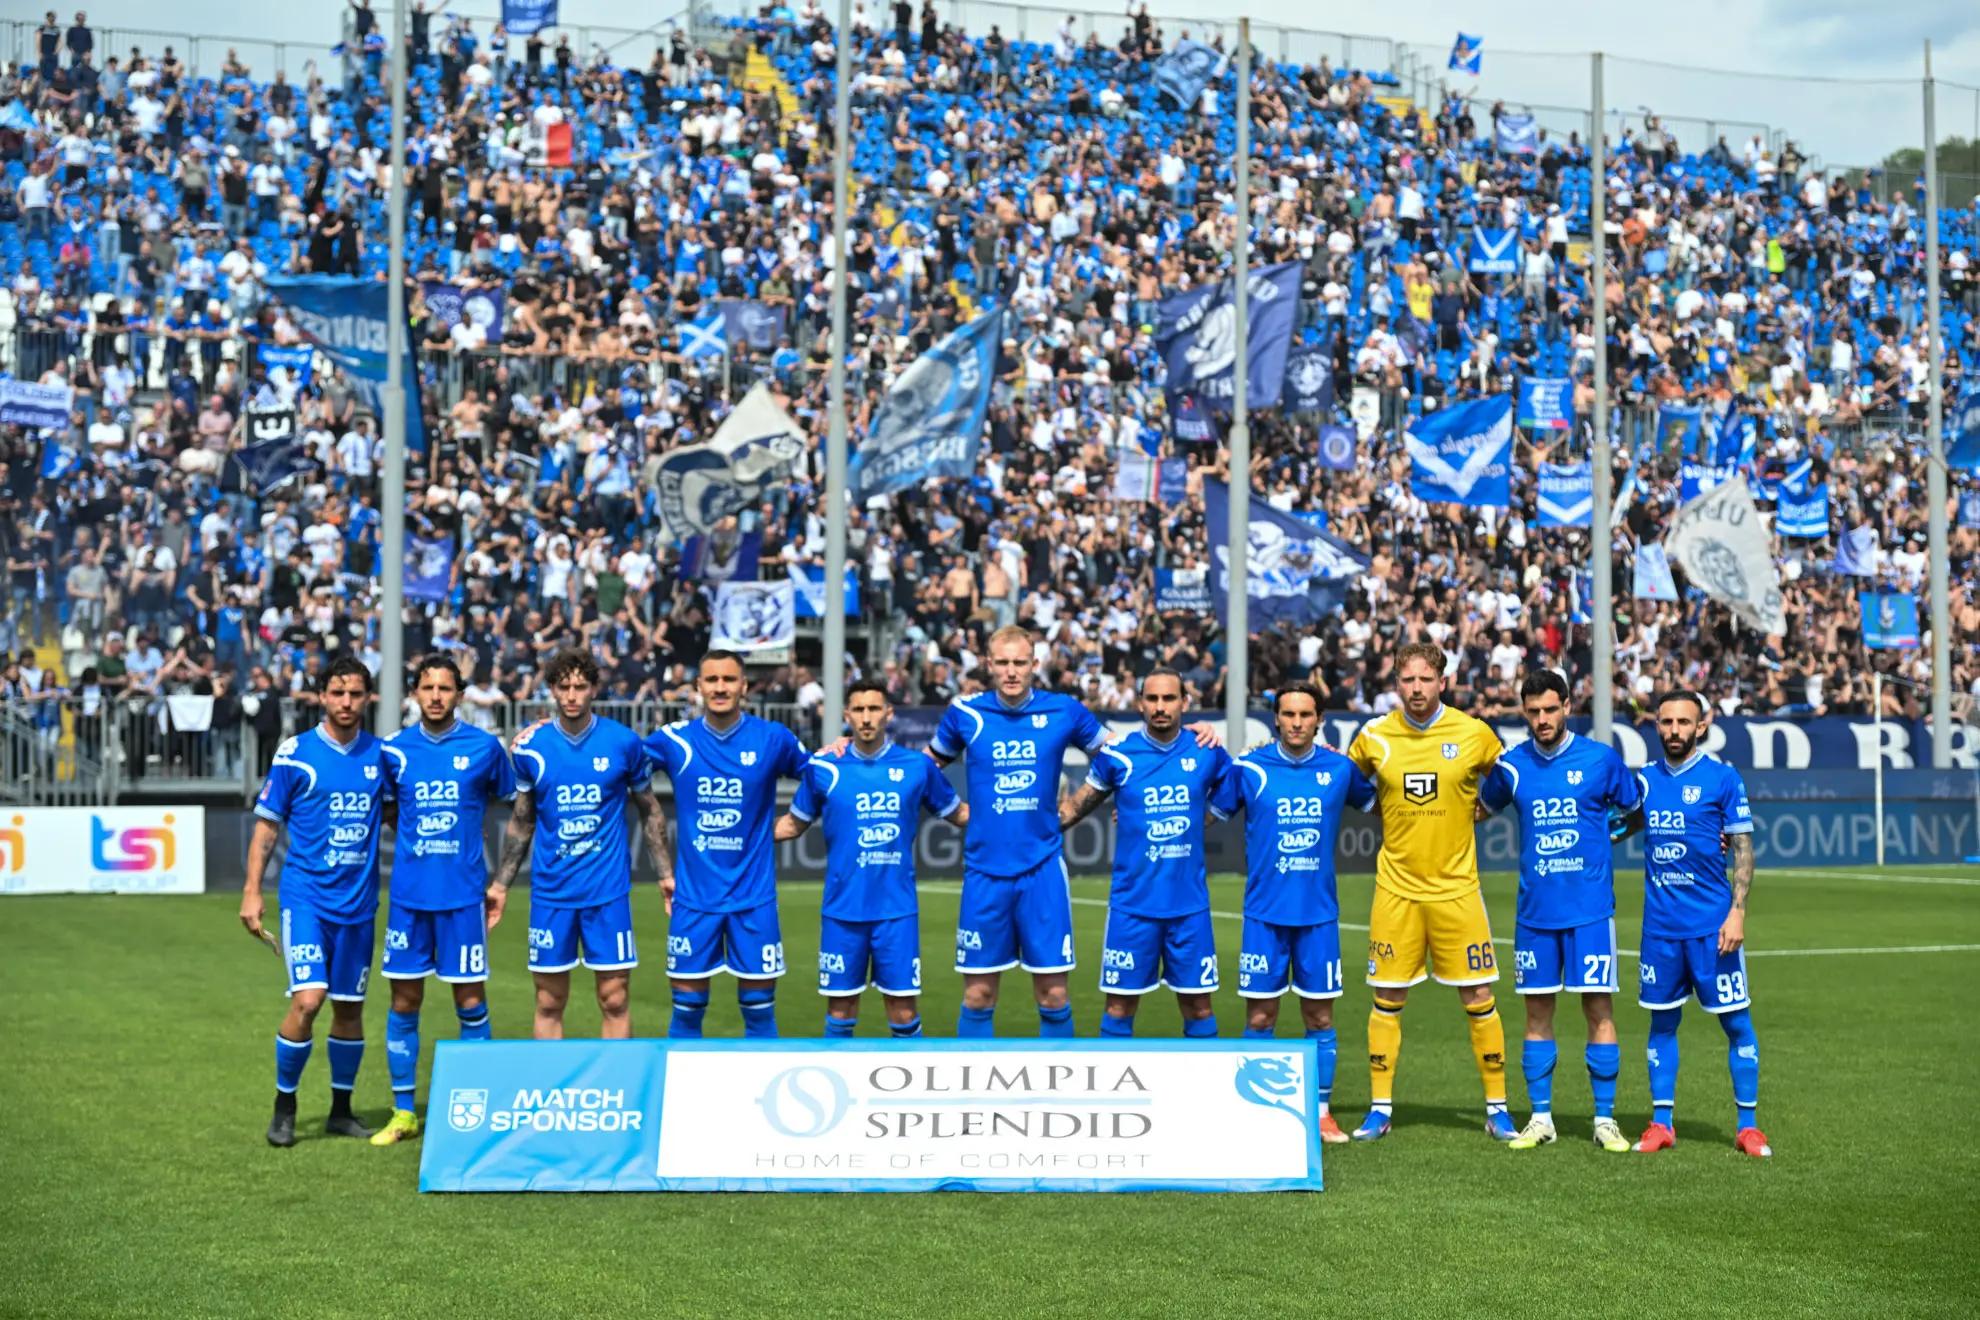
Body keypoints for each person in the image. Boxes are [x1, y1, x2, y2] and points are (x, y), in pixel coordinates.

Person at [1344, 642, 1514, 1142]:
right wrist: (1376, 807)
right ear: (1396, 683)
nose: (1416, 689)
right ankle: (1379, 1109)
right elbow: (1348, 782)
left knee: (1479, 995)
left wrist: (1485, 807)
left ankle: (1498, 1108)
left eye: (1425, 679)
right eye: (1407, 680)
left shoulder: (1472, 732)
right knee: (1387, 996)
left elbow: (1508, 776)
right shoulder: (1374, 735)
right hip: (1396, 889)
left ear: (1443, 681)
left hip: (1457, 889)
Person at [1474, 670, 1644, 1153]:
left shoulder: (1600, 759)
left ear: (1567, 706)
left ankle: (1605, 1120)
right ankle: (1541, 1119)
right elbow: (1477, 810)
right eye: (1533, 712)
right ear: (1524, 712)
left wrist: (1607, 837)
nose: (1542, 719)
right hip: (1535, 914)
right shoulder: (1511, 767)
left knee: (1599, 1009)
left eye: (1550, 709)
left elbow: (1635, 810)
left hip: (1590, 911)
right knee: (1537, 1012)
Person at [925, 624, 1108, 1038]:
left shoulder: (1064, 710)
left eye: (1020, 663)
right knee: (978, 995)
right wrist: (954, 811)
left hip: (1042, 869)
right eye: (1003, 662)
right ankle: (975, 1078)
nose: (1011, 671)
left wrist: (1078, 806)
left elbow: (1122, 755)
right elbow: (921, 769)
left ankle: (1058, 1077)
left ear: (1034, 664)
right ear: (989, 664)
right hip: (984, 871)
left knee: (1053, 995)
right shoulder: (966, 713)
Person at [240, 655, 389, 1147]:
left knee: (349, 1008)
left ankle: (341, 1111)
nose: (346, 702)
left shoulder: (382, 757)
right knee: (308, 1001)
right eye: (337, 693)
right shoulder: (296, 754)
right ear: (322, 696)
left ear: (367, 698)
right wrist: (251, 891)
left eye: (355, 694)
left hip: (359, 905)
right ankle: (284, 1107)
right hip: (306, 899)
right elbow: (267, 826)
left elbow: (398, 814)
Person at [369, 655, 516, 1146]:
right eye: (427, 687)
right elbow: (390, 809)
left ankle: (478, 1108)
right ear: (415, 692)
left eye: (445, 688)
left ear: (459, 694)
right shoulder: (394, 750)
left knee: (470, 1001)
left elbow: (510, 799)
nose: (436, 696)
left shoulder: (484, 747)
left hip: (463, 896)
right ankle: (404, 1113)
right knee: (404, 1000)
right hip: (410, 897)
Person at [487, 648, 670, 1040]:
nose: (572, 695)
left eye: (581, 686)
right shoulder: (530, 747)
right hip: (552, 893)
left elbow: (650, 810)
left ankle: (616, 1078)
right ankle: (551, 1078)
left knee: (615, 999)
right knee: (548, 1001)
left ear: (594, 690)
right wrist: (500, 885)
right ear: (552, 689)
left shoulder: (623, 742)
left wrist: (665, 874)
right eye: (564, 686)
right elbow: (522, 821)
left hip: (608, 892)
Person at [1225, 681, 1376, 1143]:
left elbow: (1384, 806)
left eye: (1305, 715)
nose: (1296, 722)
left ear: (1319, 720)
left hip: (1318, 917)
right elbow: (1206, 810)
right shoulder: (1249, 767)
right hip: (1263, 916)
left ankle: (1321, 1112)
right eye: (1288, 714)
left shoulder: (1340, 769)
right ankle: (1254, 1114)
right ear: (1275, 719)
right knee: (1260, 1019)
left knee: (1321, 1019)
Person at [773, 679, 965, 1039]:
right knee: (840, 1009)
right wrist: (740, 834)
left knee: (903, 1010)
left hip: (896, 911)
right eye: (858, 709)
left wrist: (1024, 816)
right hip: (842, 911)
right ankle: (838, 1075)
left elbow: (961, 815)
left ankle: (908, 1077)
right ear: (847, 715)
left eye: (874, 709)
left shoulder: (917, 766)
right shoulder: (824, 767)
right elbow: (791, 826)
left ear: (889, 714)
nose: (866, 717)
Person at [1058, 668, 1235, 1039]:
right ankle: (1115, 1081)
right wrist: (1018, 831)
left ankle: (1203, 1080)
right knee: (1119, 1008)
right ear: (1140, 703)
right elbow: (1073, 809)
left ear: (1184, 703)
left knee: (1199, 1008)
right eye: (1152, 698)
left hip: (1189, 908)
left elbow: (1240, 788)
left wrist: (1198, 819)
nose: (1160, 706)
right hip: (1132, 907)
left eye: (1169, 698)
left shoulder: (1207, 751)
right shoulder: (1117, 755)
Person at [1630, 691, 1769, 1158]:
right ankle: (1661, 1123)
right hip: (1661, 930)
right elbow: (1616, 824)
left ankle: (1748, 1127)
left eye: (1683, 722)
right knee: (1662, 1025)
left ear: (1701, 727)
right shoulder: (1645, 781)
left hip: (1714, 929)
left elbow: (1743, 847)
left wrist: (1738, 911)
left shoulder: (1723, 779)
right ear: (1657, 725)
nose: (1674, 730)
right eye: (1666, 722)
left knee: (1737, 1023)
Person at [644, 650, 808, 1039]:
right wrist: (557, 726)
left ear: (744, 686)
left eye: (729, 679)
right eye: (712, 680)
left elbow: (823, 776)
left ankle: (761, 1080)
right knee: (685, 1014)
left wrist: (796, 822)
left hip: (754, 899)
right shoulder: (675, 739)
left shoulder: (772, 738)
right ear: (698, 687)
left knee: (760, 1014)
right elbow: (614, 757)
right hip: (693, 900)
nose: (720, 688)